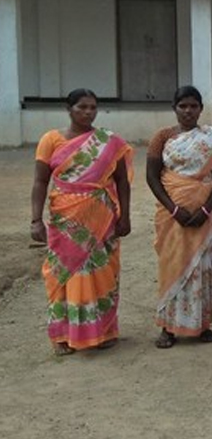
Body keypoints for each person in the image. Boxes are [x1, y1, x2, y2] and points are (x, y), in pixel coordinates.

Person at [30, 89, 133, 355]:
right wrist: (35, 220)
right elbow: (40, 181)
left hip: (102, 218)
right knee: (63, 272)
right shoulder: (50, 140)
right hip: (65, 219)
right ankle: (63, 335)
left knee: (102, 272)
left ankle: (104, 330)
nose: (88, 112)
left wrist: (125, 215)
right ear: (69, 109)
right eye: (82, 107)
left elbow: (122, 181)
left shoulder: (109, 142)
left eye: (93, 107)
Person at [146, 86, 212, 348]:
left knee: (204, 268)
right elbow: (152, 177)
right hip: (172, 216)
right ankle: (168, 327)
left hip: (205, 215)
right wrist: (174, 209)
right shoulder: (162, 137)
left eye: (193, 106)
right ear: (174, 108)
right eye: (182, 106)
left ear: (201, 109)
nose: (188, 111)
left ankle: (201, 324)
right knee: (172, 266)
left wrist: (205, 209)